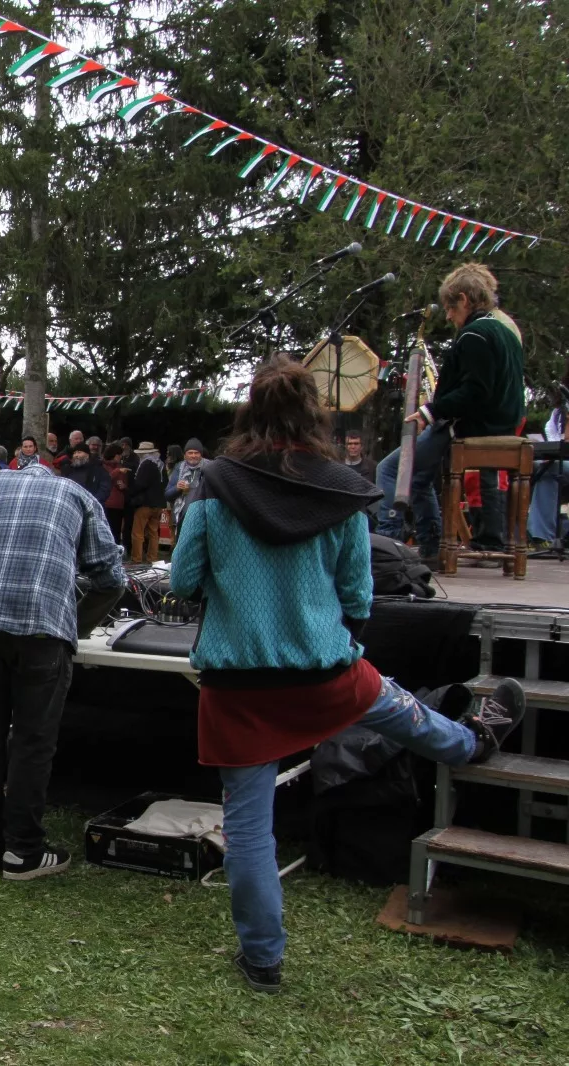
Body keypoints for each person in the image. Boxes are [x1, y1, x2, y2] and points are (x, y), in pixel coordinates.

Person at [169, 356, 524, 994]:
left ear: (249, 411)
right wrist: (327, 635)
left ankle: (263, 960)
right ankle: (473, 741)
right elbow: (359, 596)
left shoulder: (214, 484)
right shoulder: (339, 490)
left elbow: (184, 581)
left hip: (237, 682)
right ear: (315, 415)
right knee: (398, 708)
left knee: (248, 822)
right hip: (322, 666)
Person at [0, 460, 126, 881]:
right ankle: (24, 852)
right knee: (32, 741)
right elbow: (111, 578)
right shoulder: (78, 495)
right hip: (42, 632)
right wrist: (75, 624)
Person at [375, 263, 525, 561]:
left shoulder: (474, 335)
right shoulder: (505, 332)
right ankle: (432, 548)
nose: (448, 315)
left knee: (390, 469)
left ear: (464, 300)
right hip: (498, 424)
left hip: (472, 426)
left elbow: (475, 392)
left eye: (450, 307)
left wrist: (429, 411)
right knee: (419, 478)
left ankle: (385, 546)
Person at [126, 441, 167, 564]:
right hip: (159, 503)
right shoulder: (160, 465)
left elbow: (140, 484)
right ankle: (152, 558)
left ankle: (136, 558)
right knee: (153, 532)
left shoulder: (145, 465)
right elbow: (165, 483)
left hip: (145, 503)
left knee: (138, 532)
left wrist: (129, 490)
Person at [164, 437, 207, 532]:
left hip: (204, 517)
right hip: (182, 517)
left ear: (201, 454)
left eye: (196, 453)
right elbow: (167, 495)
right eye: (190, 453)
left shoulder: (209, 466)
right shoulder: (179, 467)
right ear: (185, 455)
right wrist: (177, 488)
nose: (193, 456)